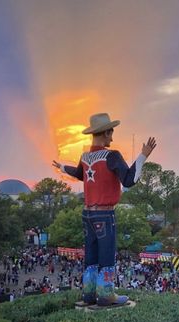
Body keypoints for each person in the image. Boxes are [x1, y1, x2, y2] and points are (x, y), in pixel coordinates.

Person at [53, 113, 156, 306]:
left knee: (91, 256)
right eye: (111, 133)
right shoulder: (112, 156)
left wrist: (62, 167)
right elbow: (129, 180)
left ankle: (89, 295)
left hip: (87, 214)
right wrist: (143, 156)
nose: (112, 138)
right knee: (107, 255)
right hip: (105, 214)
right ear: (105, 132)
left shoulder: (85, 157)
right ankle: (106, 294)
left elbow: (79, 174)